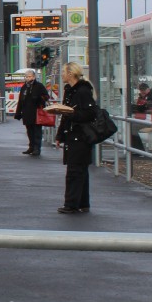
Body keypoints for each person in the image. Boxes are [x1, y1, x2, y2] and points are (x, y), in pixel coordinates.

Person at [54, 62, 97, 213]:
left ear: (71, 74)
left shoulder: (83, 91)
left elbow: (90, 114)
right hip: (73, 135)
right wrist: (60, 135)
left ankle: (71, 204)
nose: (62, 75)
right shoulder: (70, 91)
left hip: (80, 136)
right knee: (81, 171)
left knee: (74, 171)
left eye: (64, 72)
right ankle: (83, 203)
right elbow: (67, 116)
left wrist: (71, 113)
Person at [14, 69, 50, 156]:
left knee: (37, 131)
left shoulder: (39, 86)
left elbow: (46, 96)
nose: (28, 78)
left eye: (29, 76)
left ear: (34, 77)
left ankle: (37, 148)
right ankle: (31, 147)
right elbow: (20, 100)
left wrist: (39, 98)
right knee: (29, 131)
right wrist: (18, 112)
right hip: (27, 112)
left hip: (36, 112)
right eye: (26, 77)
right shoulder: (24, 87)